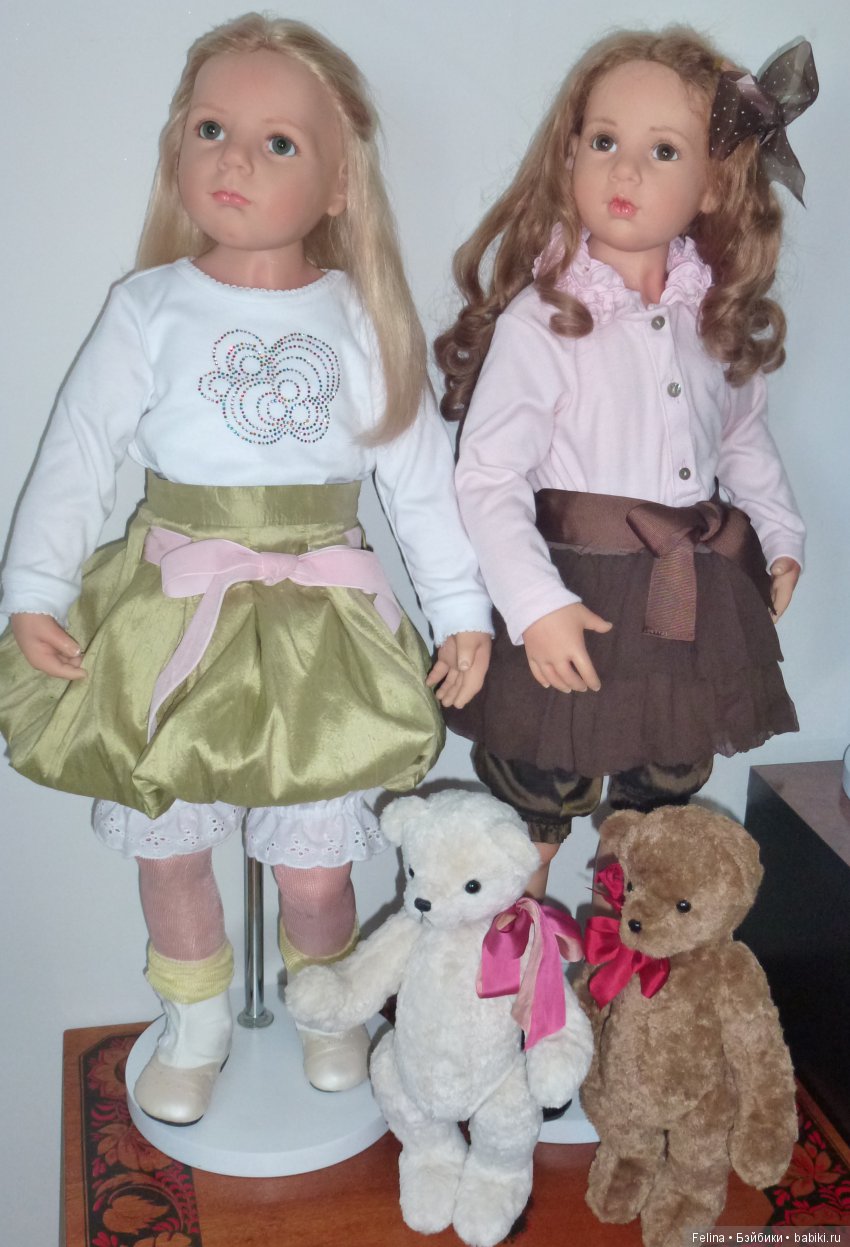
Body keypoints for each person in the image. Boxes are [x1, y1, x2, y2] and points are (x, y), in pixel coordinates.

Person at [0, 12, 492, 1124]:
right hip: (170, 609)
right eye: (212, 129)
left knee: (316, 867)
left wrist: (460, 604)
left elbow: (419, 476)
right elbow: (77, 455)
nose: (236, 159)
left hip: (320, 625)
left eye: (280, 142)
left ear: (337, 184)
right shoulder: (148, 307)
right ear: (178, 146)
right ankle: (197, 1022)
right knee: (172, 848)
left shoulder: (361, 315)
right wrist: (34, 586)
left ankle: (328, 1008)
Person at [437, 29, 816, 899]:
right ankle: (518, 967)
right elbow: (489, 475)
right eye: (605, 141)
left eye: (664, 151)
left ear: (714, 184)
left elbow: (744, 439)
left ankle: (630, 967)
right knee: (535, 810)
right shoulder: (546, 318)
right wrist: (534, 605)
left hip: (685, 602)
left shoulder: (712, 317)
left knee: (657, 821)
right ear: (570, 153)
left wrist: (780, 535)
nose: (627, 171)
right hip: (573, 593)